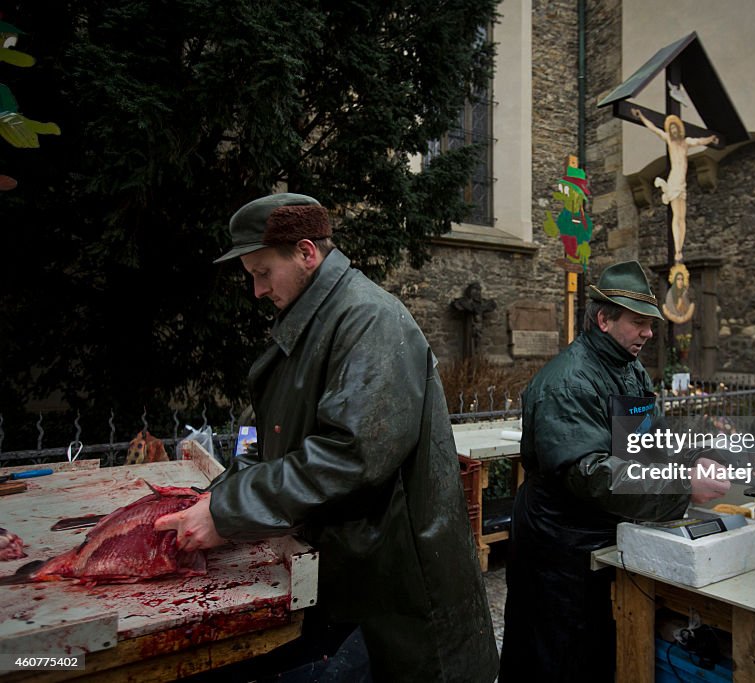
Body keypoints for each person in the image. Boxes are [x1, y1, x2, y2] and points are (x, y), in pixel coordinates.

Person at [155, 193, 498, 682]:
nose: (256, 290)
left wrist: (230, 511)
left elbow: (352, 455)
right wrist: (225, 491)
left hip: (393, 580)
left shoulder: (369, 320)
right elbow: (258, 429)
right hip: (344, 570)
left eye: (261, 272)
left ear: (306, 252)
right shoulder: (307, 319)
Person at [498, 260, 730, 682]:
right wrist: (680, 487)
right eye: (638, 323)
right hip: (560, 545)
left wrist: (690, 459)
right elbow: (592, 474)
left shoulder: (628, 368)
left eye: (650, 324)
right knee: (555, 653)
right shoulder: (567, 383)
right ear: (604, 319)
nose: (647, 333)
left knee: (601, 648)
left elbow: (647, 439)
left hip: (603, 534)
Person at [633, 109, 718, 262]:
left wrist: (711, 139)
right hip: (674, 180)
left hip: (682, 183)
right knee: (675, 217)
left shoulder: (686, 143)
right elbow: (654, 129)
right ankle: (677, 250)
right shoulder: (669, 141)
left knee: (681, 218)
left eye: (675, 129)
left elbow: (700, 141)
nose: (673, 131)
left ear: (679, 130)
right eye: (671, 129)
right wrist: (641, 117)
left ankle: (679, 249)